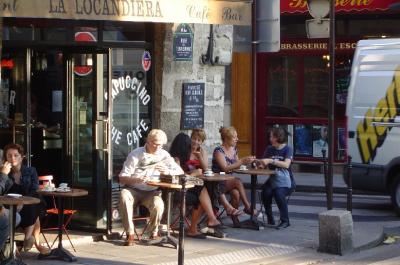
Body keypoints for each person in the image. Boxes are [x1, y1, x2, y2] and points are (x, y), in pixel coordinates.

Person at [119, 129, 183, 246]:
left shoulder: (164, 155)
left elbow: (179, 171)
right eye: (155, 144)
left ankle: (153, 232)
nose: (158, 147)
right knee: (124, 195)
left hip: (151, 191)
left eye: (160, 145)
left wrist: (167, 171)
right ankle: (130, 233)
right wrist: (137, 179)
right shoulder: (136, 154)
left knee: (158, 204)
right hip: (133, 189)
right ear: (148, 141)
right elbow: (122, 178)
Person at [169, 131, 221, 239]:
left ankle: (204, 222)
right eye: (192, 139)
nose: (194, 143)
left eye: (199, 140)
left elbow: (205, 170)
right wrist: (194, 173)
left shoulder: (198, 152)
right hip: (177, 190)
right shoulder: (176, 159)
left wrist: (199, 160)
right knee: (202, 192)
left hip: (188, 186)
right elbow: (179, 178)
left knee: (204, 189)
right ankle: (206, 221)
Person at [0, 143, 49, 254]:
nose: (13, 158)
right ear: (5, 158)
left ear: (22, 157)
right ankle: (31, 242)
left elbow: (35, 189)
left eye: (16, 155)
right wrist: (3, 174)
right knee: (27, 213)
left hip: (30, 202)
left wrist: (22, 203)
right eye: (9, 155)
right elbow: (1, 191)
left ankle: (27, 239)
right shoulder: (4, 172)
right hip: (10, 204)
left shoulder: (31, 170)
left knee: (33, 207)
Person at [212, 126, 255, 227]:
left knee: (236, 193)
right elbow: (225, 168)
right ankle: (247, 206)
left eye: (237, 136)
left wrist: (247, 162)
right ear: (226, 139)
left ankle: (235, 221)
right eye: (234, 137)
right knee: (238, 181)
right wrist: (241, 161)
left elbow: (236, 165)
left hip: (228, 180)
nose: (237, 139)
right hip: (218, 180)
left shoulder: (234, 149)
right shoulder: (219, 151)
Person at [258, 127, 294, 229]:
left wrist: (271, 161)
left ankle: (285, 221)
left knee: (278, 193)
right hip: (273, 179)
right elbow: (263, 163)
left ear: (277, 137)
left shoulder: (288, 149)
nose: (270, 139)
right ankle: (270, 218)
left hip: (287, 181)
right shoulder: (269, 149)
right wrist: (259, 164)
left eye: (271, 136)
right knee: (265, 192)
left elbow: (286, 164)